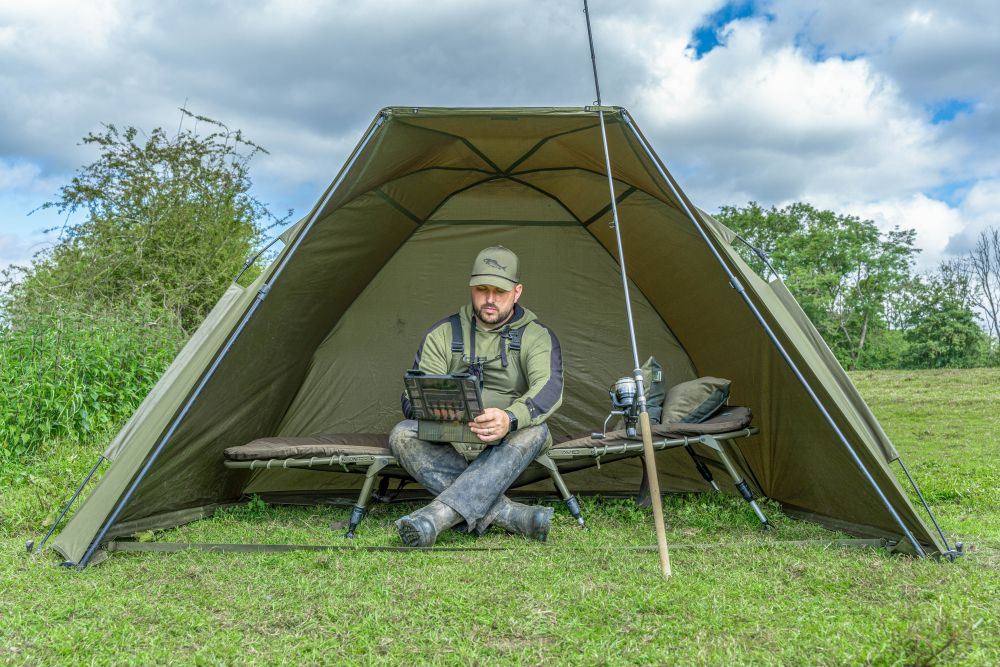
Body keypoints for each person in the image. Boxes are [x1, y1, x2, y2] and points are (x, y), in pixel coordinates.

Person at [389, 245, 564, 547]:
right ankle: (514, 516)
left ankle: (434, 519)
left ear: (517, 291)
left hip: (509, 440)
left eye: (500, 291)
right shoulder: (443, 333)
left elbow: (549, 389)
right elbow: (412, 395)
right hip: (452, 437)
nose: (490, 299)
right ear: (471, 287)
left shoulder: (537, 335)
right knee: (402, 433)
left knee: (537, 429)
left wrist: (509, 418)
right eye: (482, 289)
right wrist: (432, 411)